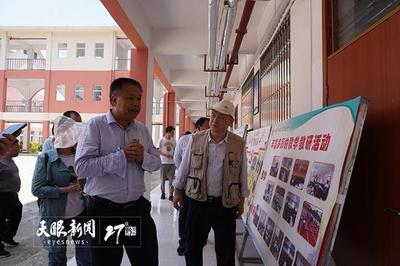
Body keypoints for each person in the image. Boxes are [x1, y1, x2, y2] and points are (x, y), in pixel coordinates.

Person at [75, 77, 161, 266]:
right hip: (105, 213)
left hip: (136, 212)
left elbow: (156, 164)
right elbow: (82, 166)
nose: (137, 104)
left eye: (139, 99)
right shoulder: (95, 126)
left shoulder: (142, 130)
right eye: (131, 98)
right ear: (114, 100)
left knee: (146, 261)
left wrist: (142, 157)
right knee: (106, 262)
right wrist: (120, 157)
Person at [173, 99, 248, 266]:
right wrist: (177, 192)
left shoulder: (238, 144)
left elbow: (243, 174)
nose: (215, 120)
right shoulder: (195, 139)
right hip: (197, 201)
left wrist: (241, 201)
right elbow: (184, 167)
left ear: (231, 121)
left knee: (226, 250)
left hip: (225, 204)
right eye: (213, 116)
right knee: (192, 245)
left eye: (221, 117)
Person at [31, 115, 91, 266]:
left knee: (86, 258)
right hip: (55, 217)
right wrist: (66, 189)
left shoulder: (82, 156)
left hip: (82, 214)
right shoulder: (46, 158)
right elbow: (37, 189)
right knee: (57, 258)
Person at [174, 117, 209, 256]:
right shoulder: (185, 140)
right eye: (207, 126)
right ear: (199, 127)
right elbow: (178, 160)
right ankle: (183, 243)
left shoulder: (210, 140)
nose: (209, 129)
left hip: (202, 186)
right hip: (186, 183)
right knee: (184, 214)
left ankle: (198, 240)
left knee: (199, 215)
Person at [0, 133, 22, 258]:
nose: (18, 149)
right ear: (6, 148)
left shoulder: (10, 161)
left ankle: (8, 237)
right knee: (1, 221)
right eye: (16, 147)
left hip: (13, 195)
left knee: (16, 215)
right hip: (2, 196)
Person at [159, 126, 176, 200]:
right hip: (163, 162)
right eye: (173, 132)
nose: (173, 133)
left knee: (171, 179)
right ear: (168, 132)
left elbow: (175, 149)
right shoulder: (161, 140)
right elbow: (158, 150)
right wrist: (166, 155)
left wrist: (174, 155)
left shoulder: (174, 140)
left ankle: (171, 195)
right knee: (162, 179)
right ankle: (162, 193)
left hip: (172, 163)